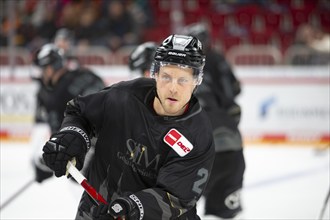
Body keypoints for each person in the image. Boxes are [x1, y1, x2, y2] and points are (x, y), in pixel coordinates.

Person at [41, 34, 215, 220]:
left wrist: (129, 208)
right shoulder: (124, 96)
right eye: (166, 77)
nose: (173, 88)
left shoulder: (198, 136)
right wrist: (71, 137)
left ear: (197, 81)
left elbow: (176, 198)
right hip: (96, 211)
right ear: (154, 74)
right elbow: (80, 112)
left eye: (183, 80)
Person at [182, 22, 246, 219]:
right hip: (228, 142)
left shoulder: (186, 68)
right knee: (222, 211)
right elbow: (232, 93)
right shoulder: (214, 59)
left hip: (197, 147)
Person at [32, 43, 105, 183]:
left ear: (49, 68)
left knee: (76, 177)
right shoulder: (87, 74)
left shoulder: (55, 96)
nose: (42, 74)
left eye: (43, 69)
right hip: (120, 134)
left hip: (95, 146)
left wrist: (46, 164)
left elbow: (60, 139)